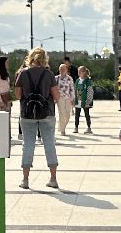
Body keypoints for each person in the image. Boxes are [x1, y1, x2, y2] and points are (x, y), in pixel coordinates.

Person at [15, 46, 58, 189]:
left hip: (27, 114)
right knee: (49, 144)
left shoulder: (23, 73)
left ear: (30, 58)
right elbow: (56, 95)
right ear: (45, 59)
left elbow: (18, 95)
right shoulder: (49, 74)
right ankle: (53, 178)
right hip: (47, 113)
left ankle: (25, 180)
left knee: (28, 144)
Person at [56, 61, 76, 137]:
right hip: (60, 98)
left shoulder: (69, 78)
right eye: (61, 69)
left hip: (68, 98)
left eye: (64, 69)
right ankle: (63, 130)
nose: (62, 70)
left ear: (66, 70)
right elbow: (54, 89)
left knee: (68, 114)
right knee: (62, 114)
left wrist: (72, 99)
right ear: (59, 70)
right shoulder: (56, 78)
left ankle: (61, 126)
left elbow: (72, 89)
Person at [73, 66, 94, 134]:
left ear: (84, 72)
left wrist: (88, 102)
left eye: (80, 71)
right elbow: (75, 90)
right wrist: (74, 99)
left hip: (85, 101)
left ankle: (89, 128)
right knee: (77, 115)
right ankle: (76, 127)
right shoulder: (77, 81)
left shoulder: (88, 81)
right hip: (78, 101)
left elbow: (90, 92)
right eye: (78, 71)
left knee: (87, 114)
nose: (79, 73)